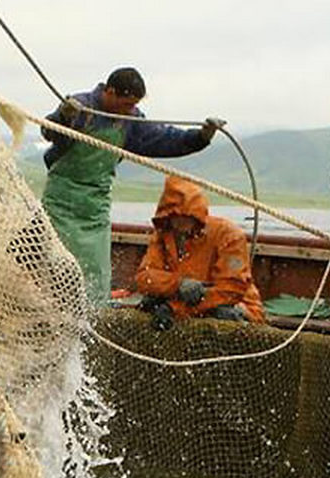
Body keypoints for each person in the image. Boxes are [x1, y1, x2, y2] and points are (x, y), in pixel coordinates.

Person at [41, 67, 221, 305]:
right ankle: (52, 306)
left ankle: (92, 311)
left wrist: (201, 137)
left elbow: (164, 139)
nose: (131, 110)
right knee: (56, 258)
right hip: (61, 198)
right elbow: (49, 132)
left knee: (95, 267)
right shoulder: (80, 106)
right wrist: (62, 117)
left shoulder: (130, 120)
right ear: (110, 91)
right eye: (127, 104)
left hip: (96, 203)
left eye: (134, 105)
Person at [135, 176, 265, 330]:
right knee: (150, 303)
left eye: (187, 216)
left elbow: (231, 290)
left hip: (231, 306)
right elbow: (145, 277)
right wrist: (177, 284)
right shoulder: (163, 235)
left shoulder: (229, 235)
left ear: (197, 215)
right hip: (182, 305)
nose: (180, 222)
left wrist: (174, 307)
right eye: (174, 216)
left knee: (223, 313)